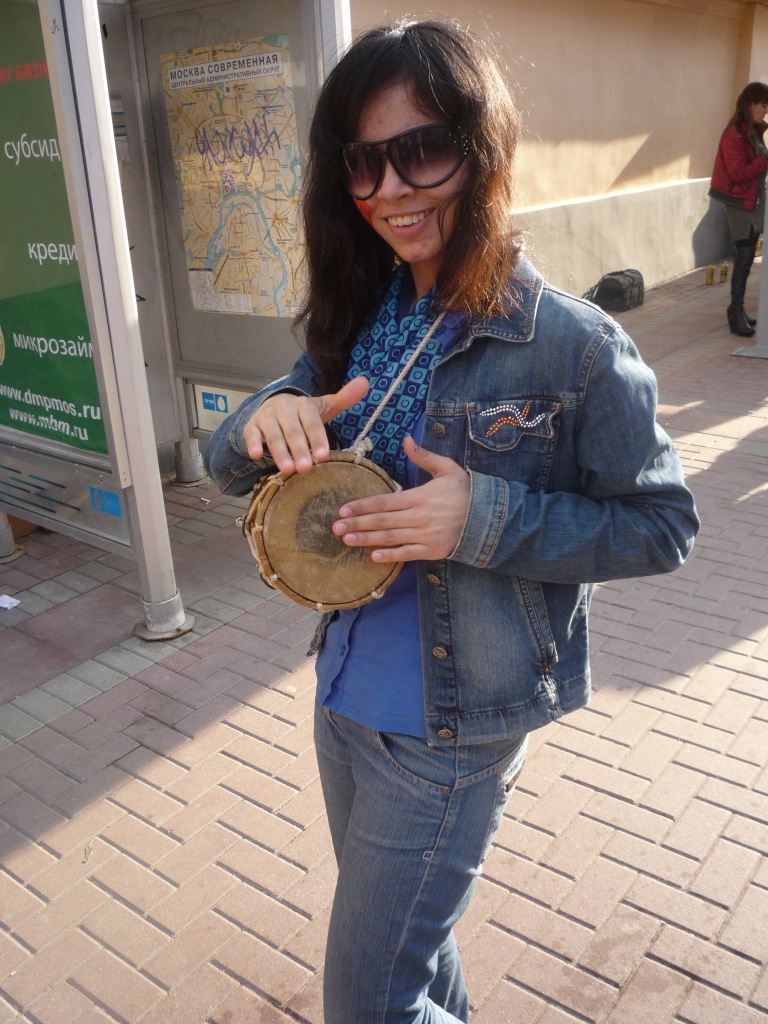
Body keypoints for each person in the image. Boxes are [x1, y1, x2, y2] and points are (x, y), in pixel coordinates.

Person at [205, 19, 699, 1023]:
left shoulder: (571, 344)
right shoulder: (364, 310)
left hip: (455, 723)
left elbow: (662, 525)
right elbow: (227, 466)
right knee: (416, 962)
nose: (391, 189)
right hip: (343, 694)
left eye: (421, 150)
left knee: (369, 998)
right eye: (364, 162)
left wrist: (483, 516)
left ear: (481, 151)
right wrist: (268, 415)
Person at [709, 81, 768, 337]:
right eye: (763, 105)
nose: (766, 111)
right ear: (750, 104)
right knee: (744, 257)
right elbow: (738, 172)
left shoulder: (752, 131)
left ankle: (737, 310)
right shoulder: (733, 134)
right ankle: (736, 313)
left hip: (753, 201)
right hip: (739, 203)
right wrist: (764, 161)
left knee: (748, 255)